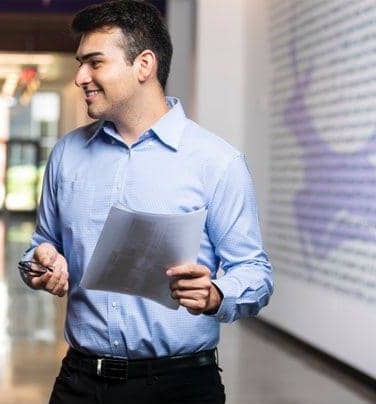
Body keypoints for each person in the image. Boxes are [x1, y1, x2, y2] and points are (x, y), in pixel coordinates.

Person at [21, 1, 274, 403]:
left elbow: (255, 272)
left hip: (180, 387)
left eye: (94, 62)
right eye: (79, 63)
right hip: (80, 382)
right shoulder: (67, 153)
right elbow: (42, 243)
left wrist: (216, 295)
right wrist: (40, 262)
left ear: (144, 65)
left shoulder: (217, 162)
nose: (80, 77)